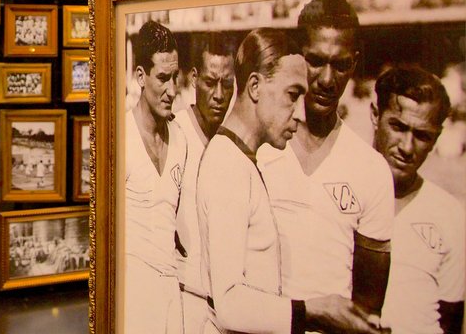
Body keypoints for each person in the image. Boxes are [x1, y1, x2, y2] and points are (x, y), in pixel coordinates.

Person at [196, 28, 384, 334]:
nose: (299, 114)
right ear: (255, 86)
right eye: (292, 96)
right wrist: (317, 311)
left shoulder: (240, 159)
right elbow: (230, 304)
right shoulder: (226, 165)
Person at [259, 0, 393, 319]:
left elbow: (367, 310)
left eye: (341, 64)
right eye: (316, 61)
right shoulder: (259, 150)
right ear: (295, 56)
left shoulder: (371, 170)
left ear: (355, 63)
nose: (327, 79)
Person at [371, 66, 464, 334]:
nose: (407, 147)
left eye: (422, 135)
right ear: (375, 116)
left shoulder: (449, 214)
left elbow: (450, 321)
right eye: (398, 127)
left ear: (436, 139)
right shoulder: (340, 192)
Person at [123, 19, 187, 334]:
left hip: (171, 295)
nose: (171, 90)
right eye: (163, 78)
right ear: (140, 76)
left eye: (175, 77)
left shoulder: (180, 139)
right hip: (131, 297)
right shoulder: (119, 137)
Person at [174, 32, 236, 334]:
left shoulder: (236, 140)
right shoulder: (174, 136)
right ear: (194, 78)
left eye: (227, 83)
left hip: (229, 307)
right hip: (186, 297)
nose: (219, 95)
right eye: (211, 82)